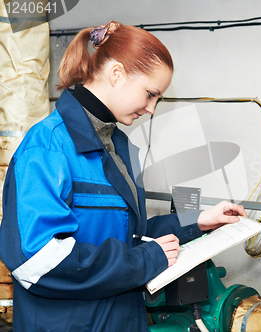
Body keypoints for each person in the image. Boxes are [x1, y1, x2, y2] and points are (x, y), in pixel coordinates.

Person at [0, 20, 247, 331]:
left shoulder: (120, 147)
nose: (152, 109)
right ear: (116, 74)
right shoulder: (48, 147)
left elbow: (129, 236)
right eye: (150, 94)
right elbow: (38, 261)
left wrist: (196, 221)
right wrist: (145, 261)